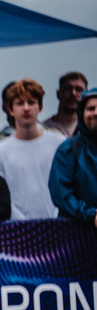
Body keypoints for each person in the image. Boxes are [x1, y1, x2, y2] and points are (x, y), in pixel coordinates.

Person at [0, 79, 66, 221]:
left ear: (40, 107)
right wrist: (24, 224)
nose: (26, 108)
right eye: (19, 103)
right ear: (11, 109)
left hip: (58, 225)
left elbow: (67, 186)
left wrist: (56, 217)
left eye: (31, 102)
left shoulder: (59, 143)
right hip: (18, 230)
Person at [49, 87, 97, 228]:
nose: (95, 113)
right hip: (76, 236)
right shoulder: (68, 149)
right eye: (91, 108)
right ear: (81, 113)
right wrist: (91, 215)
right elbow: (62, 194)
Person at [42, 71, 88, 137]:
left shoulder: (90, 129)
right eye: (68, 89)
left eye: (79, 89)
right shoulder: (43, 129)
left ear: (86, 95)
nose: (73, 93)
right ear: (58, 94)